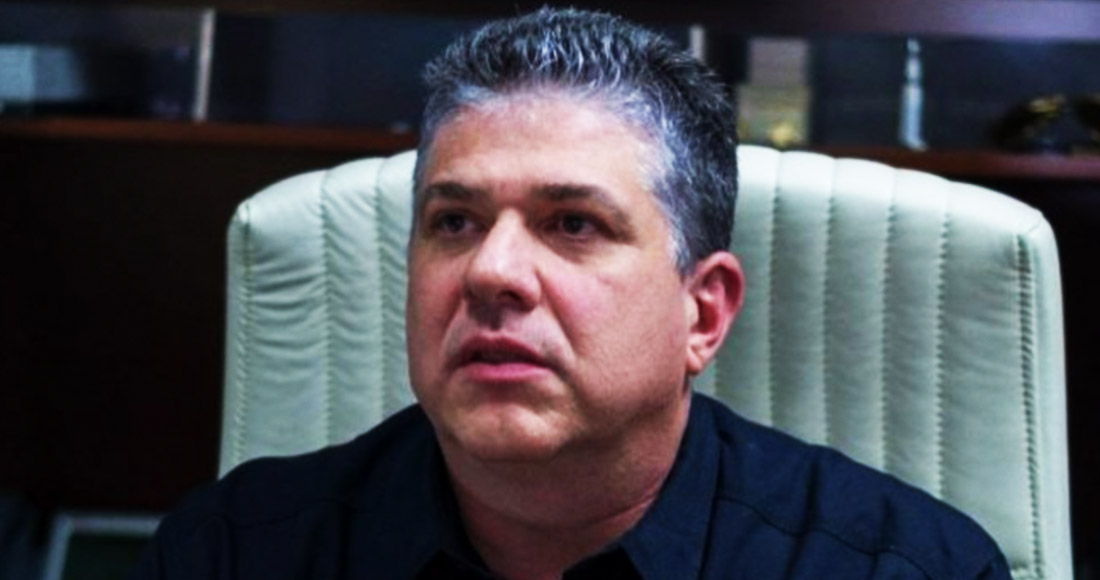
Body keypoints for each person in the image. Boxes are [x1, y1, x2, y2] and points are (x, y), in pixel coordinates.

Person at [132, 8, 1010, 580]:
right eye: (454, 222)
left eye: (573, 224)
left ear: (703, 312)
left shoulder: (900, 567)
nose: (492, 272)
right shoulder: (232, 553)